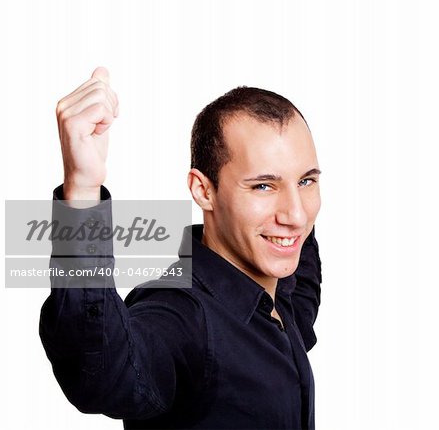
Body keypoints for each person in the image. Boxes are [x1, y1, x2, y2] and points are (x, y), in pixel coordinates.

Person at [39, 67, 323, 430]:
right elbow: (103, 375)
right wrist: (81, 194)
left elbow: (304, 288)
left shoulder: (280, 293)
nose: (296, 215)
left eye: (306, 180)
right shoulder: (180, 315)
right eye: (263, 186)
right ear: (204, 191)